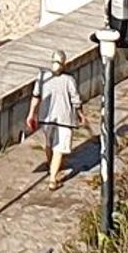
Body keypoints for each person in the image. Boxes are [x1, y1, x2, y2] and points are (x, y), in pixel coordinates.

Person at [26, 50, 81, 189]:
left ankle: (52, 167)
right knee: (58, 148)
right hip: (64, 119)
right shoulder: (69, 80)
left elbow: (35, 96)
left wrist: (31, 113)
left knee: (50, 144)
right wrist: (81, 114)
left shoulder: (42, 76)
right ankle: (52, 179)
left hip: (46, 118)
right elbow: (76, 100)